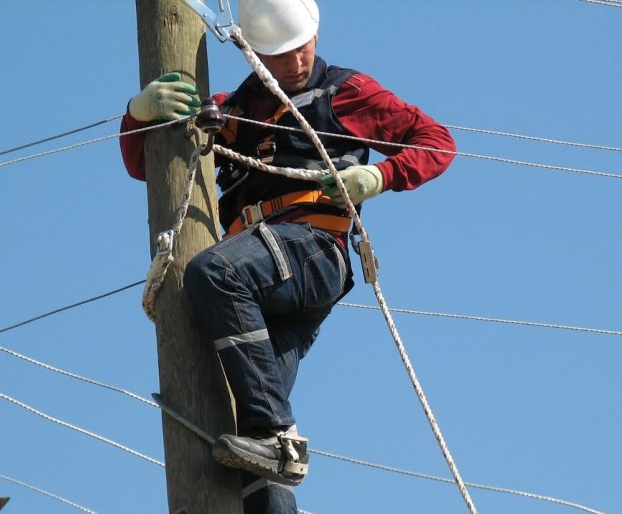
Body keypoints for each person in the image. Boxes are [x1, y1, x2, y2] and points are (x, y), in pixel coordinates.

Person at [119, 0, 456, 512]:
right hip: (265, 274)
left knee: (214, 271)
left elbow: (436, 141)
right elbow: (149, 165)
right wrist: (137, 114)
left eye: (302, 48)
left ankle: (276, 434)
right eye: (280, 55)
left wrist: (378, 176)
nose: (296, 63)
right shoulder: (230, 111)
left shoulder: (347, 93)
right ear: (253, 52)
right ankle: (273, 445)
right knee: (245, 428)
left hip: (312, 247)